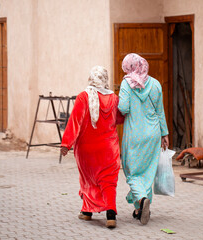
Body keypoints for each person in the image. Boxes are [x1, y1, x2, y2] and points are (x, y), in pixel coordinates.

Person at [61, 66, 124, 228]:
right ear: (105, 79)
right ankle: (110, 214)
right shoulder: (114, 98)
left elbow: (75, 121)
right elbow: (119, 119)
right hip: (109, 148)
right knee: (108, 181)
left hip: (86, 149)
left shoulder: (83, 97)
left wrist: (66, 143)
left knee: (88, 180)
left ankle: (87, 213)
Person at [118, 53, 169, 225]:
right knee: (147, 172)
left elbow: (123, 108)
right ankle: (140, 208)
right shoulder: (155, 84)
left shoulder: (127, 84)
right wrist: (165, 133)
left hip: (134, 135)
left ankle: (141, 198)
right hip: (153, 133)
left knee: (132, 172)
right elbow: (160, 111)